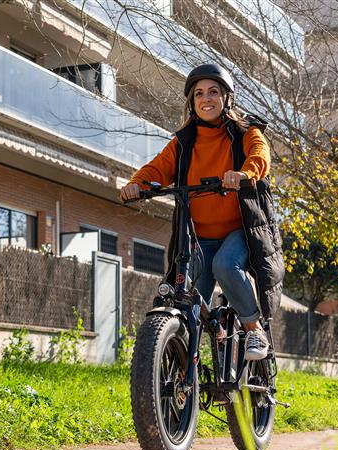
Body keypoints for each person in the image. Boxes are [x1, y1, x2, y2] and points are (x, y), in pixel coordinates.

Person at [120, 64, 284, 360]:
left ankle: (253, 328)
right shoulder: (184, 142)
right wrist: (136, 184)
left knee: (225, 265)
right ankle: (186, 366)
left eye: (213, 92)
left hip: (239, 232)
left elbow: (261, 154)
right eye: (198, 94)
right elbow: (156, 169)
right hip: (198, 237)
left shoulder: (244, 131)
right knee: (188, 300)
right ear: (192, 102)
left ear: (226, 99)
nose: (205, 98)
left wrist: (244, 173)